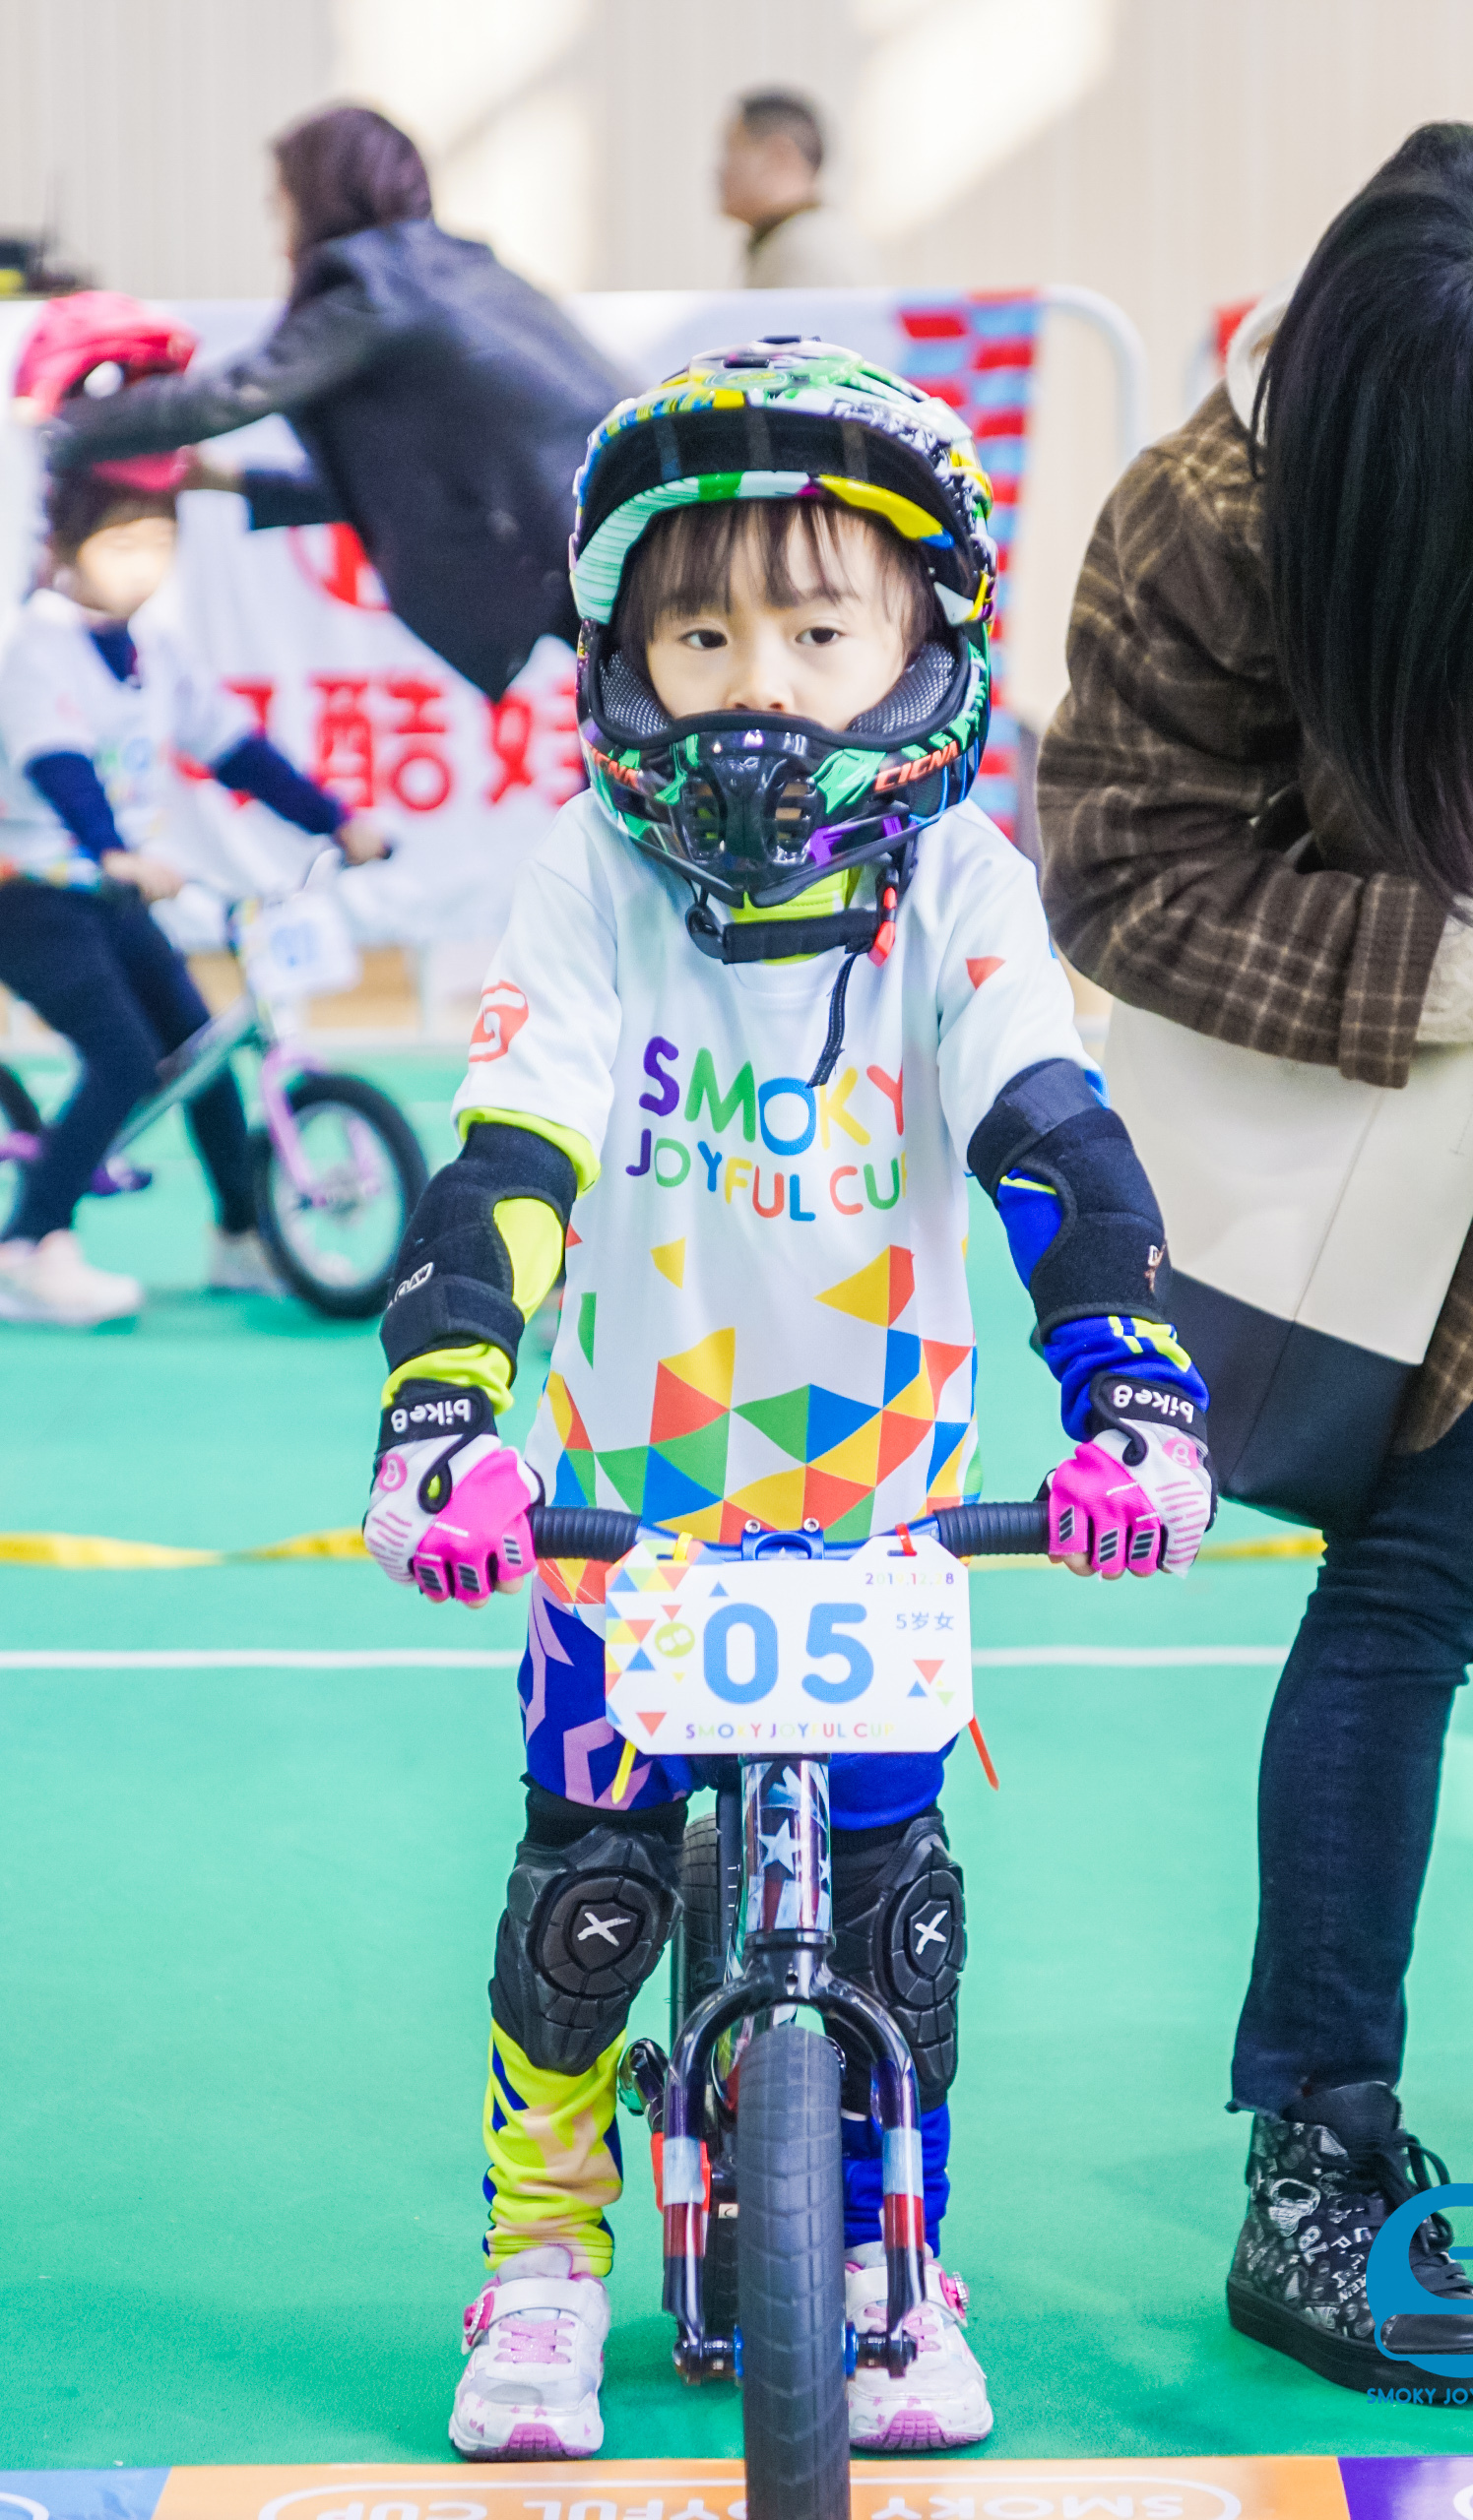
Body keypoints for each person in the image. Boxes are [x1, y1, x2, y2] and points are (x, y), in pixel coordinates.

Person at [360, 339, 1214, 2461]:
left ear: (925, 644)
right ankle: (541, 2256)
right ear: (622, 657)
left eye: (820, 635)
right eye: (701, 636)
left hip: (878, 1503)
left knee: (894, 1902)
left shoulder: (958, 884)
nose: (757, 687)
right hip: (622, 1495)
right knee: (587, 1892)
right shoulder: (591, 871)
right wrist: (445, 1410)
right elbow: (513, 1161)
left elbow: (1047, 1137)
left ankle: (894, 2253)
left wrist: (1127, 1385)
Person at [1037, 122, 1473, 2402]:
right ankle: (1316, 2142)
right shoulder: (1215, 529)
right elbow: (1122, 880)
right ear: (1462, 500)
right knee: (1414, 1558)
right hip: (1408, 1101)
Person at [0, 327, 387, 1327]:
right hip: (34, 897)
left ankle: (240, 1237)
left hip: (110, 893)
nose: (144, 565)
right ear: (61, 547)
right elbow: (57, 765)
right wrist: (112, 850)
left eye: (160, 542)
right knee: (124, 1056)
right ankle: (29, 1246)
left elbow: (238, 751)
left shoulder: (154, 653)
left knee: (202, 1048)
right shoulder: (37, 647)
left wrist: (338, 821)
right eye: (121, 543)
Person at [35, 104, 628, 702]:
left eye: (281, 209)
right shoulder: (449, 269)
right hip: (611, 525)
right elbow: (399, 489)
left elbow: (230, 394)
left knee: (634, 729)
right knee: (634, 720)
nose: (279, 243)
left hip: (587, 542)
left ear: (319, 196)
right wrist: (228, 480)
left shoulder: (376, 285)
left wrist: (52, 426)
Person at [720, 90, 880, 289]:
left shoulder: (811, 249)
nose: (720, 171)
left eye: (731, 152)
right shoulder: (789, 238)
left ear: (779, 156)